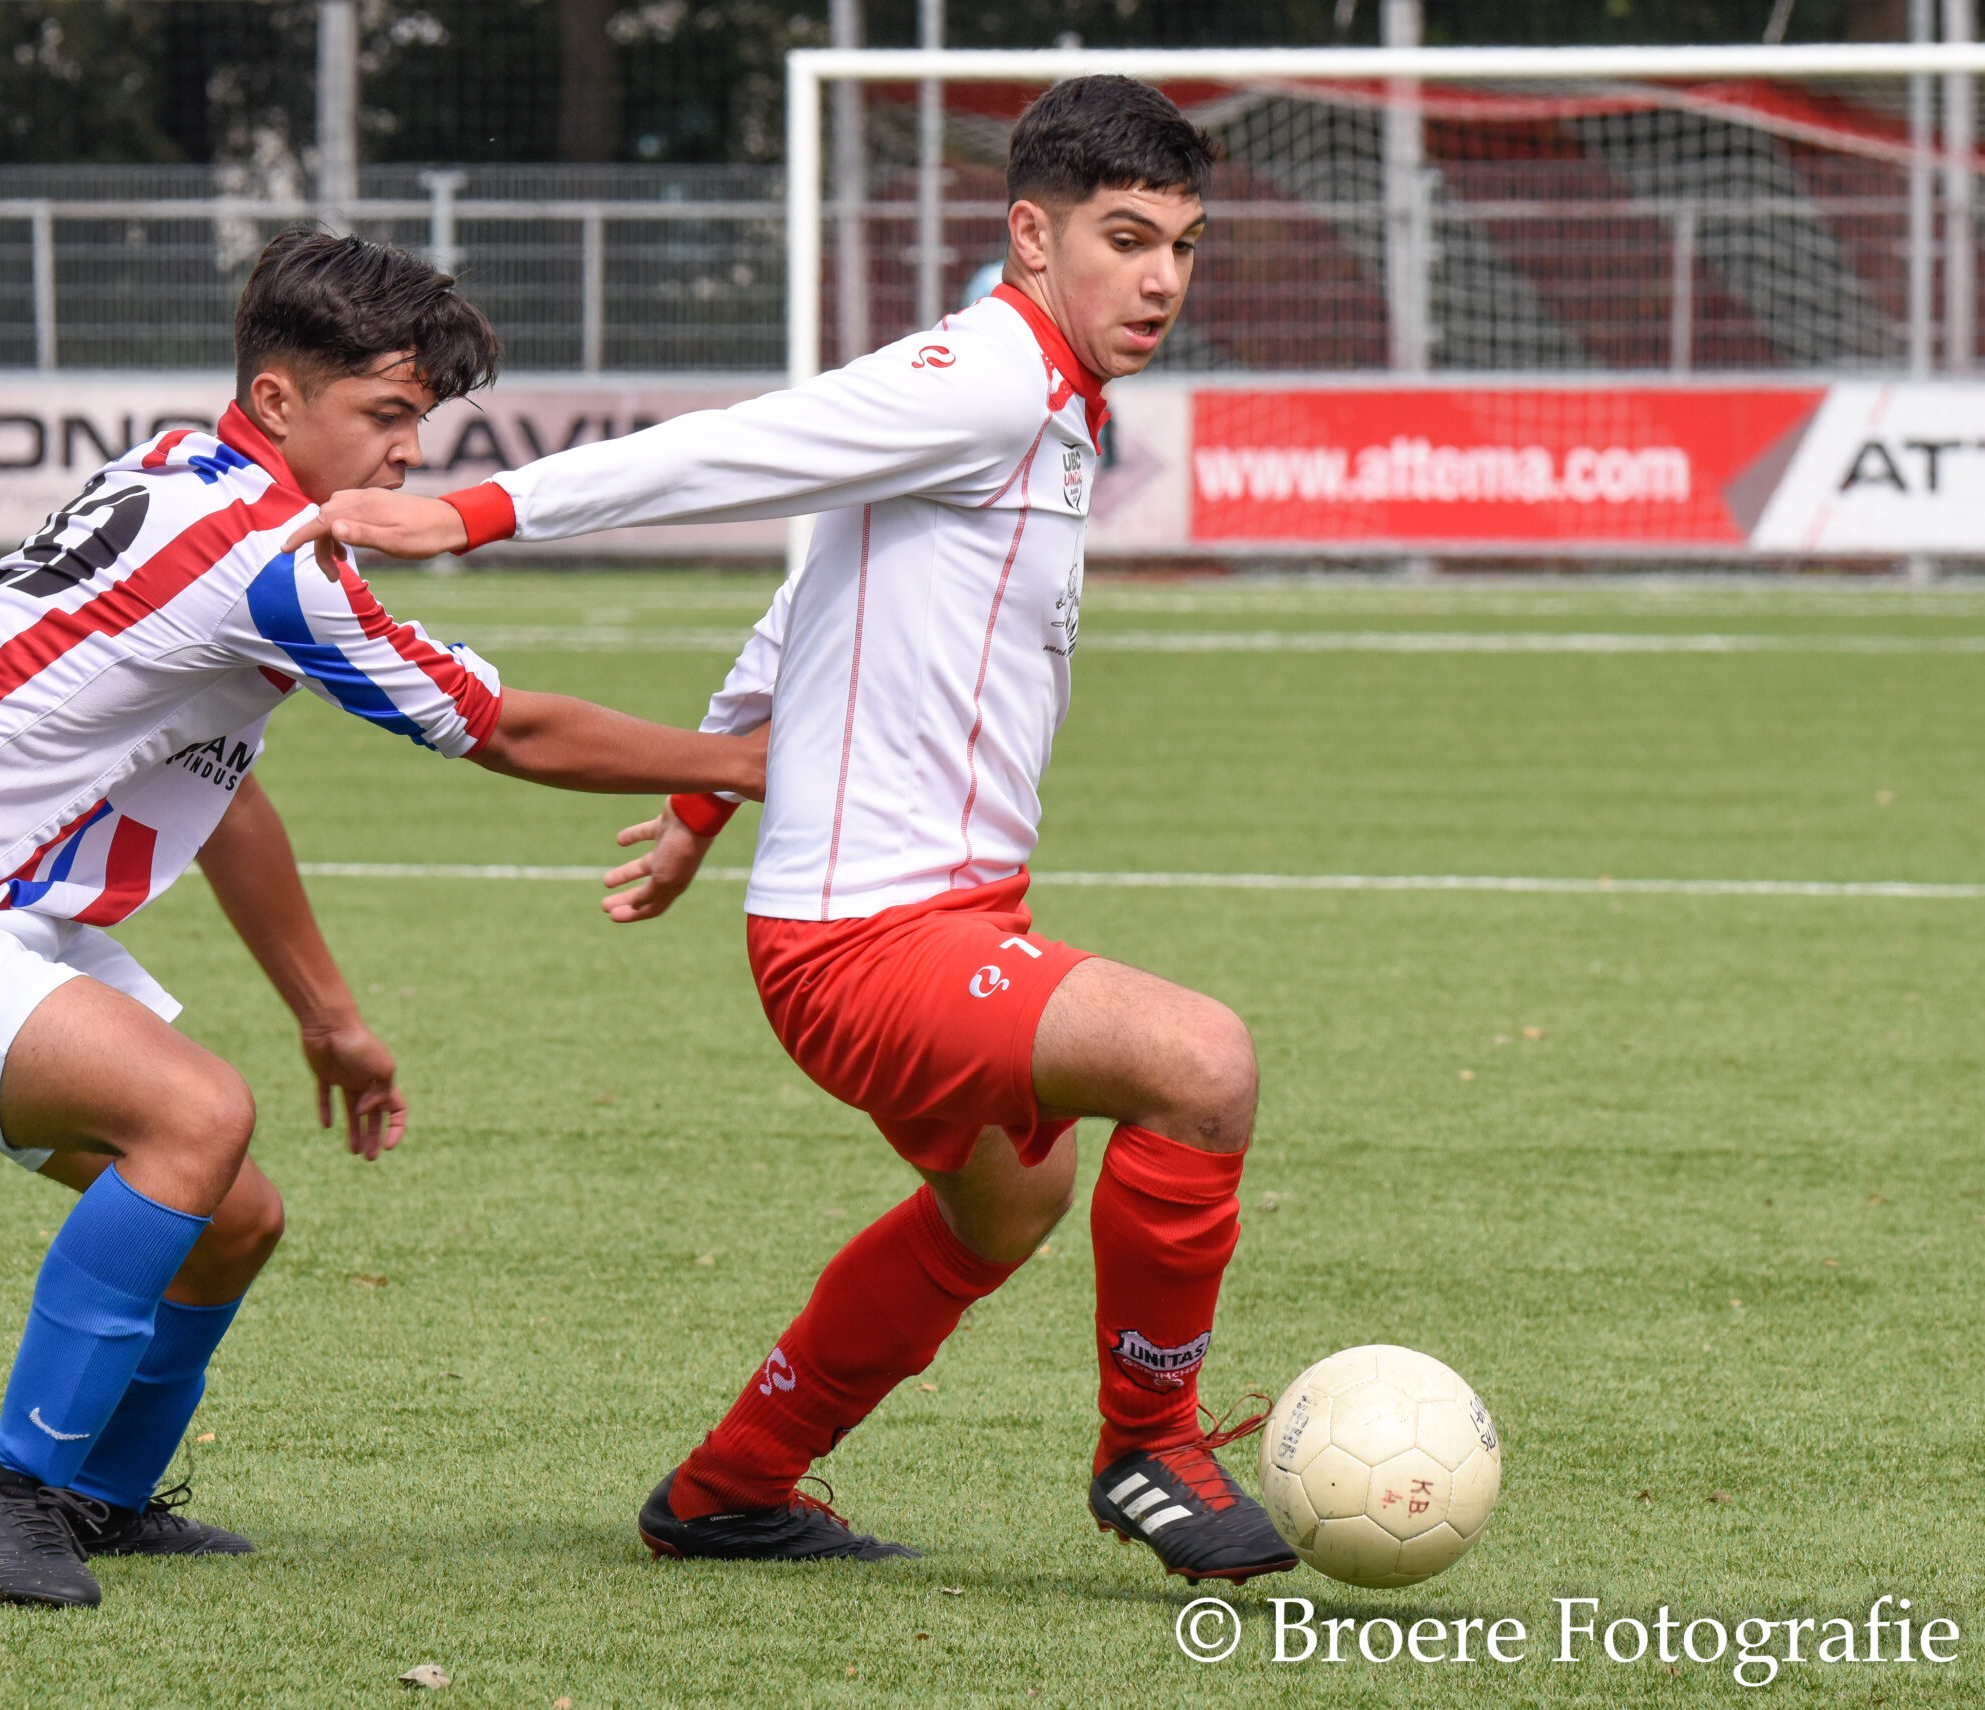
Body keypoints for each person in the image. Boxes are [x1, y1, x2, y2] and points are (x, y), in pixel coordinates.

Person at [288, 79, 1294, 1584]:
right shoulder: (986, 378)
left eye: (1183, 246)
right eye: (1126, 239)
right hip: (867, 944)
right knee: (1200, 1063)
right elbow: (735, 446)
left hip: (943, 916)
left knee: (1009, 1201)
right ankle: (1149, 1444)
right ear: (1033, 237)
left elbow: (808, 595)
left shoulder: (1044, 401)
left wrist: (703, 803)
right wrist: (470, 517)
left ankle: (730, 1487)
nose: (1161, 280)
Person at [0, 230, 766, 1608]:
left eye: (421, 417)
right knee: (195, 1116)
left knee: (233, 1215)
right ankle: (11, 1502)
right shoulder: (261, 559)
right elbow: (506, 728)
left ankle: (102, 1496)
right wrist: (751, 761)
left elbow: (221, 793)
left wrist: (329, 1016)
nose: (410, 451)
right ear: (280, 399)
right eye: (388, 412)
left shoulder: (183, 469)